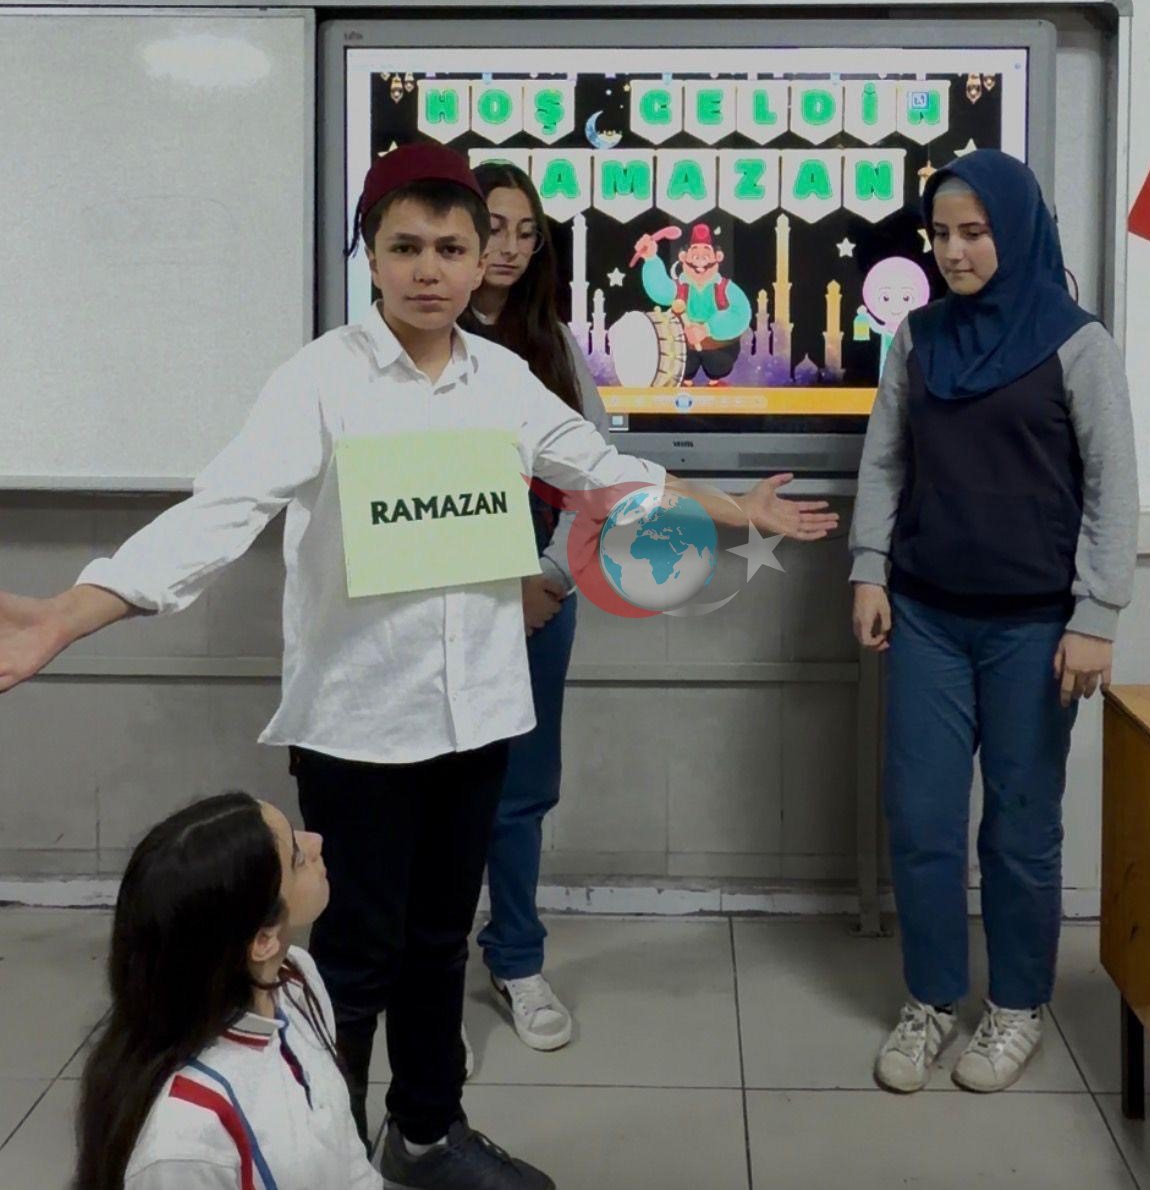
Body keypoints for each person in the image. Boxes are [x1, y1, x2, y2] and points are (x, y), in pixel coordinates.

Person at [0, 142, 836, 1190]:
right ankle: (332, 1160)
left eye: (449, 247)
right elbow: (222, 511)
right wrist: (72, 612)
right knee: (350, 966)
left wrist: (736, 507)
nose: (429, 269)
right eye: (405, 248)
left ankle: (427, 1134)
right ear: (372, 256)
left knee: (441, 944)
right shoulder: (321, 379)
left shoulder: (504, 379)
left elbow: (605, 472)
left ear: (482, 256)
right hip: (359, 728)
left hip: (478, 717)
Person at [849, 149, 1137, 1095]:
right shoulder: (918, 338)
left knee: (1019, 829)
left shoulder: (1077, 344)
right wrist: (869, 567)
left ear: (1015, 230)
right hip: (927, 617)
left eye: (974, 233)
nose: (954, 252)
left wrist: (1096, 614)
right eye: (940, 235)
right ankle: (931, 998)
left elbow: (1113, 487)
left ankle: (1016, 1005)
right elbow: (885, 462)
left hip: (1036, 630)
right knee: (922, 821)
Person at [459, 161, 596, 1062]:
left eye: (525, 231)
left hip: (544, 599)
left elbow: (593, 474)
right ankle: (428, 980)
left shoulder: (554, 345)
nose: (507, 247)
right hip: (445, 603)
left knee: (521, 794)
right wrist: (489, 585)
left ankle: (515, 960)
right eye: (492, 227)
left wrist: (545, 576)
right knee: (434, 794)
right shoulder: (420, 343)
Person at [74, 792, 379, 1189]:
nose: (316, 841)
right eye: (296, 858)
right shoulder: (185, 1143)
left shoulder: (296, 978)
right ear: (263, 940)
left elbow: (347, 1152)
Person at [633, 222, 751, 385]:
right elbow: (660, 290)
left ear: (718, 257)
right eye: (694, 253)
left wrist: (707, 329)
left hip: (719, 347)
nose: (700, 260)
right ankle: (686, 383)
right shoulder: (679, 287)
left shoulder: (726, 288)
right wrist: (651, 258)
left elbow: (741, 313)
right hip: (684, 347)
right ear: (683, 258)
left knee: (719, 365)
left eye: (706, 253)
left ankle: (715, 382)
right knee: (684, 367)